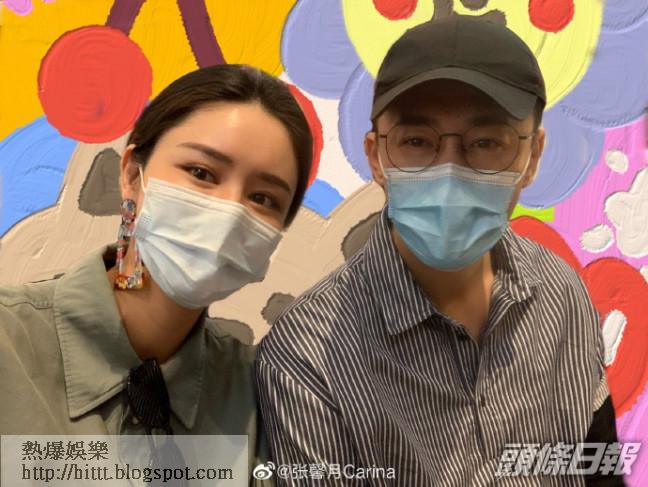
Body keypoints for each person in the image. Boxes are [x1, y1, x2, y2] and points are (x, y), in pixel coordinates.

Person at [255, 17, 623, 486]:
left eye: (486, 143)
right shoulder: (304, 360)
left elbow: (597, 467)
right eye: (417, 142)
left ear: (532, 157)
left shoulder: (560, 291)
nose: (449, 172)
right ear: (376, 157)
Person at [0, 64, 312, 484]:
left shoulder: (262, 395)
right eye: (201, 173)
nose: (228, 213)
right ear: (132, 174)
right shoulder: (10, 345)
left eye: (263, 198)